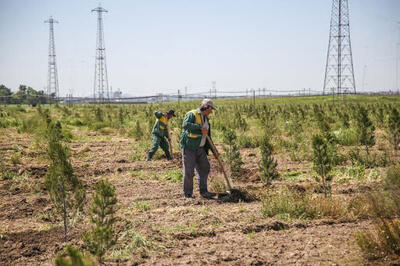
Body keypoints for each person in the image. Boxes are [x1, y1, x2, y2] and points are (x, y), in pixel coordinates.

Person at [180, 99, 217, 199]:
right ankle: (188, 194)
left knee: (204, 168)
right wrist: (199, 127)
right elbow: (185, 125)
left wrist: (215, 152)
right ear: (206, 107)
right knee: (189, 171)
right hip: (189, 148)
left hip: (201, 148)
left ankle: (204, 191)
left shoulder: (206, 119)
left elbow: (208, 137)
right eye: (211, 109)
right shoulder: (192, 114)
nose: (211, 112)